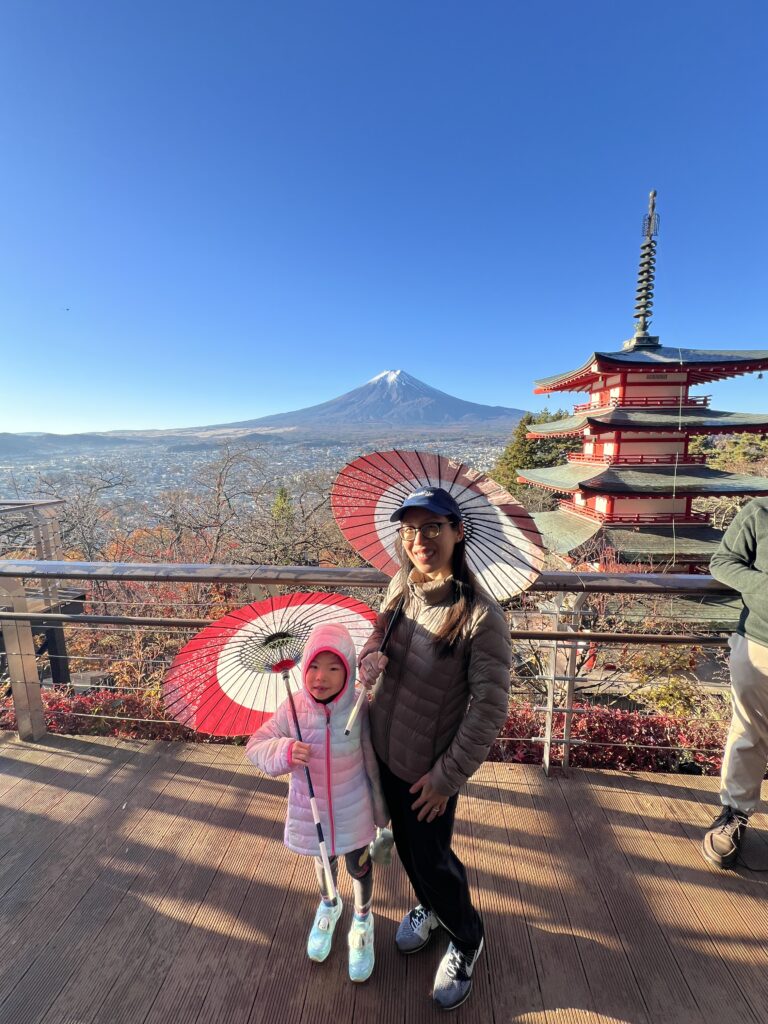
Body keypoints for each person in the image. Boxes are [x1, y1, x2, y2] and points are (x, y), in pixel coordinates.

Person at [358, 486, 512, 1011]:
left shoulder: (480, 618)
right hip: (383, 748)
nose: (419, 540)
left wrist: (448, 777)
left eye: (432, 528)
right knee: (406, 850)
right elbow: (377, 633)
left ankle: (467, 936)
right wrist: (371, 654)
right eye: (410, 530)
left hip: (428, 772)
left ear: (457, 532)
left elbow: (489, 710)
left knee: (433, 857)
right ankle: (429, 905)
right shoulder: (402, 585)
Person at [246, 621, 388, 981]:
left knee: (360, 866)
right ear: (303, 665)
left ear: (349, 670)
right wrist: (284, 750)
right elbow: (256, 746)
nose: (321, 677)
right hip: (313, 812)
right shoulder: (292, 708)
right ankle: (329, 904)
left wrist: (380, 810)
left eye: (334, 667)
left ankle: (362, 917)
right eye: (313, 666)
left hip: (354, 810)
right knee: (323, 866)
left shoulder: (358, 707)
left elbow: (371, 757)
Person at [704, 495, 768, 868]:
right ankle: (735, 815)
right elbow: (723, 561)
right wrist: (762, 589)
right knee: (748, 731)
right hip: (760, 640)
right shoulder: (759, 513)